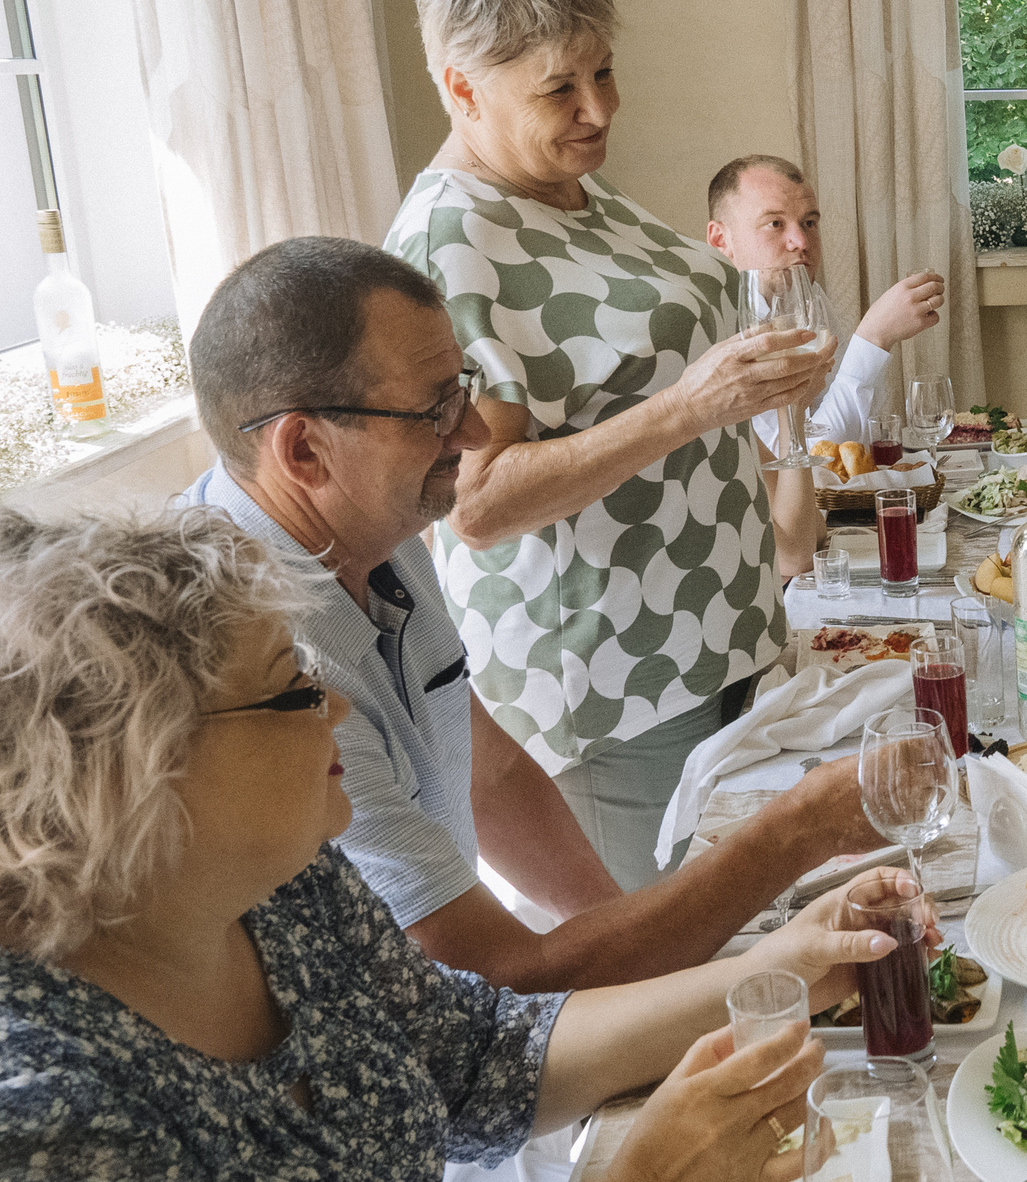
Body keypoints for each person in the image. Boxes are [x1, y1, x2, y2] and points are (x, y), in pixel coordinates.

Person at [0, 505, 928, 1182]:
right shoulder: (46, 1122)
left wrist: (779, 969)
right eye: (292, 689)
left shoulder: (284, 890)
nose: (338, 707)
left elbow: (485, 1056)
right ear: (139, 777)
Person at [183, 236, 894, 987]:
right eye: (435, 411)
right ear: (303, 452)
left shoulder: (367, 533)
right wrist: (797, 831)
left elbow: (485, 773)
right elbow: (493, 972)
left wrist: (632, 942)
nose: (473, 434)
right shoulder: (262, 660)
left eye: (462, 391)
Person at [387, 0, 834, 892]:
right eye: (560, 88)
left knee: (731, 929)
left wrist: (760, 391)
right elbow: (477, 502)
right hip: (611, 685)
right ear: (463, 89)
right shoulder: (452, 242)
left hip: (712, 644)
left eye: (603, 70)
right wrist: (692, 405)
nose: (599, 108)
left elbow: (641, 366)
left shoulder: (572, 189)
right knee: (651, 951)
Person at [704, 152, 947, 459]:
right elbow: (806, 460)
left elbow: (849, 441)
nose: (801, 241)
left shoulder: (809, 297)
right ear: (721, 239)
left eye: (809, 222)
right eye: (775, 223)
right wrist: (873, 338)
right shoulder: (714, 323)